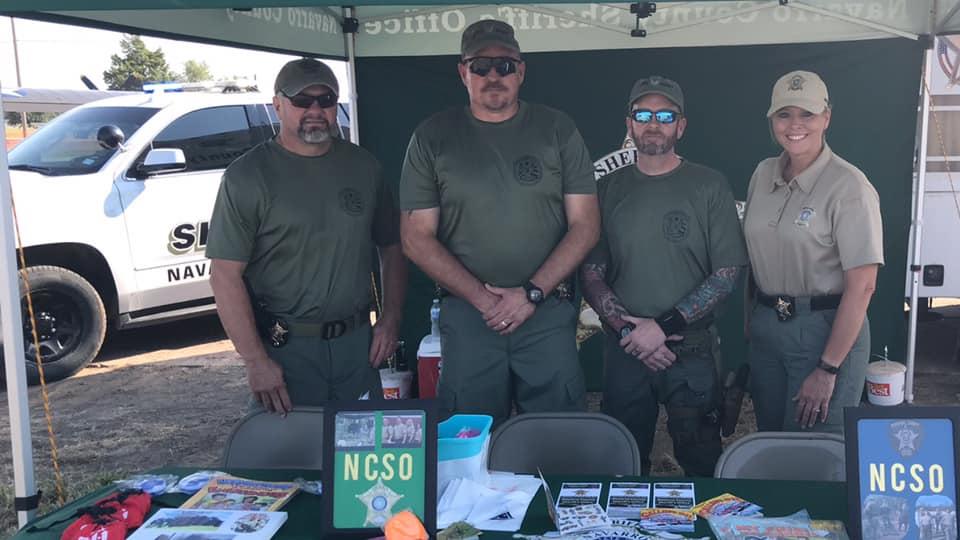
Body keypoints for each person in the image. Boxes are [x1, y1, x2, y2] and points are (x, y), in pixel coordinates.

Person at [399, 19, 600, 426]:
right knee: (469, 441)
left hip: (545, 315)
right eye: (481, 66)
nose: (494, 76)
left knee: (556, 438)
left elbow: (586, 225)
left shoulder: (557, 130)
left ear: (521, 71)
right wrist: (483, 299)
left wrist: (530, 295)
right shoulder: (432, 137)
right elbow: (415, 237)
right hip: (470, 319)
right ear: (463, 72)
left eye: (505, 65)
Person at [207, 58, 407, 414]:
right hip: (286, 349)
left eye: (326, 99)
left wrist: (390, 319)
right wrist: (255, 360)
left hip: (356, 346)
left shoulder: (363, 166)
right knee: (287, 461)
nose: (315, 109)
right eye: (302, 100)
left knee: (360, 462)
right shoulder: (248, 177)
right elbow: (224, 275)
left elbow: (391, 248)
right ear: (278, 105)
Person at [580, 76, 748, 476]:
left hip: (689, 348)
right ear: (629, 124)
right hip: (626, 348)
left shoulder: (708, 185)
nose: (653, 123)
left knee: (701, 460)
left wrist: (663, 325)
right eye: (643, 114)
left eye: (664, 115)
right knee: (621, 462)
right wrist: (628, 331)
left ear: (681, 125)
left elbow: (726, 273)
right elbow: (590, 271)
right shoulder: (607, 189)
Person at [744, 70, 882, 432]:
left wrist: (828, 368)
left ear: (827, 117)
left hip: (824, 331)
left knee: (814, 452)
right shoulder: (762, 173)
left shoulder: (849, 185)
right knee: (770, 442)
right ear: (772, 119)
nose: (794, 125)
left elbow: (863, 286)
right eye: (784, 114)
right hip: (768, 327)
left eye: (807, 114)